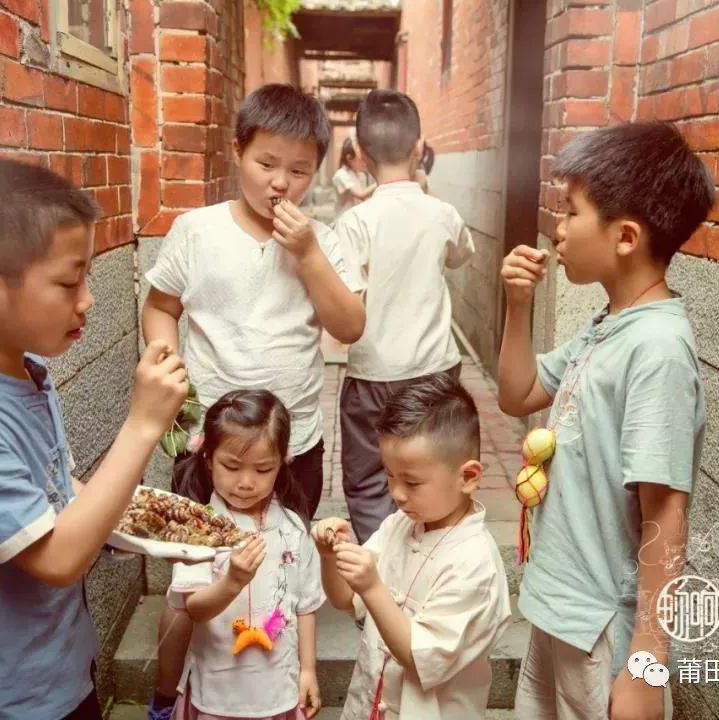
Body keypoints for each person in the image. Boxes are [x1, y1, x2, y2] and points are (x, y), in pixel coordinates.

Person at [0, 158, 189, 720]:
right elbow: (57, 557)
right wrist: (143, 425)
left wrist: (136, 521)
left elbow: (58, 492)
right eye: (68, 280)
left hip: (63, 669)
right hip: (6, 703)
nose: (87, 299)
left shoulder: (28, 372)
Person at [141, 83, 365, 720]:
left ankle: (278, 688)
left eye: (299, 172)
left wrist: (308, 253)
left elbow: (349, 326)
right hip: (208, 447)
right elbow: (161, 306)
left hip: (293, 448)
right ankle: (166, 697)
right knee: (192, 584)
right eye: (267, 164)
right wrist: (168, 366)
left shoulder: (324, 240)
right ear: (237, 150)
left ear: (317, 172)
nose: (281, 185)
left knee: (281, 569)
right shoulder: (197, 231)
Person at [497, 121, 714, 720]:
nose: (557, 228)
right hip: (562, 610)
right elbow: (517, 394)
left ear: (625, 236)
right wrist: (517, 307)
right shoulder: (607, 326)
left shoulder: (658, 351)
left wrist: (646, 662)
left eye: (571, 210)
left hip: (603, 631)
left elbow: (665, 512)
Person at [314, 375, 511, 720]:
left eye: (412, 482)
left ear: (468, 477)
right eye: (389, 475)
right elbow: (345, 599)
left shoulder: (474, 565)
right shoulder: (399, 526)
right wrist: (331, 558)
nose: (397, 493)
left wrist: (373, 586)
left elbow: (419, 658)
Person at [332, 89, 474, 543]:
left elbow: (348, 297)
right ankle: (433, 567)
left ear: (359, 152)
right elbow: (460, 256)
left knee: (370, 480)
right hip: (435, 370)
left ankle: (381, 585)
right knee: (435, 471)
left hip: (373, 373)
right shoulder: (442, 213)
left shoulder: (355, 222)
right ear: (420, 148)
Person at [166, 390, 324, 720]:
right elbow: (194, 608)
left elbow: (305, 606)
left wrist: (307, 670)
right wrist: (232, 582)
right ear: (207, 457)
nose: (246, 482)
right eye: (232, 466)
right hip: (217, 687)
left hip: (279, 685)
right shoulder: (198, 527)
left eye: (263, 469)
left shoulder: (293, 527)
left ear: (283, 463)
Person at [332, 136, 376, 214]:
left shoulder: (361, 175)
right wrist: (379, 181)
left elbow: (363, 199)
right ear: (349, 158)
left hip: (357, 215)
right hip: (344, 217)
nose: (364, 162)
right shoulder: (341, 175)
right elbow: (361, 194)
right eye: (360, 159)